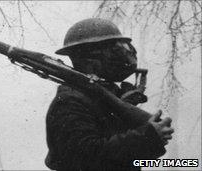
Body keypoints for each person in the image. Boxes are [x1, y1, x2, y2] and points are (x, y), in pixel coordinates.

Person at [45, 18, 174, 171]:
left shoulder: (106, 97)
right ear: (89, 58)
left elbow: (129, 160)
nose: (125, 53)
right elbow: (85, 156)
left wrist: (150, 139)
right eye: (113, 49)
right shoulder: (69, 102)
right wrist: (147, 137)